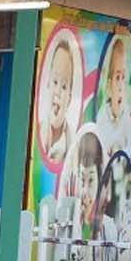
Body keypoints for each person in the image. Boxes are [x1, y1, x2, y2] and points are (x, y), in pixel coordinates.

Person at [93, 31, 131, 160]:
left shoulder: (125, 114)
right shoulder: (102, 117)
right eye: (118, 77)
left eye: (124, 78)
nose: (121, 86)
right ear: (108, 86)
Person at [38, 38, 76, 169]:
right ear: (47, 83)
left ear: (70, 98)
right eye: (55, 82)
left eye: (64, 86)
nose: (58, 92)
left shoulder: (72, 144)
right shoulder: (37, 129)